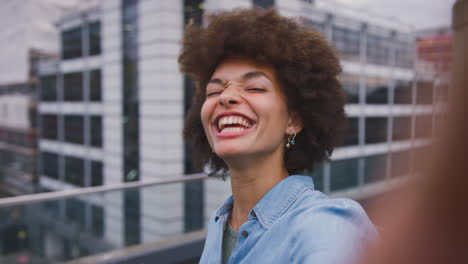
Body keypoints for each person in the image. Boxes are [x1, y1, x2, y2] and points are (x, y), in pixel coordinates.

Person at [179, 8, 376, 264]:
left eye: (255, 87)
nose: (226, 97)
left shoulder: (325, 225)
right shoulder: (220, 222)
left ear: (293, 121)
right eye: (214, 91)